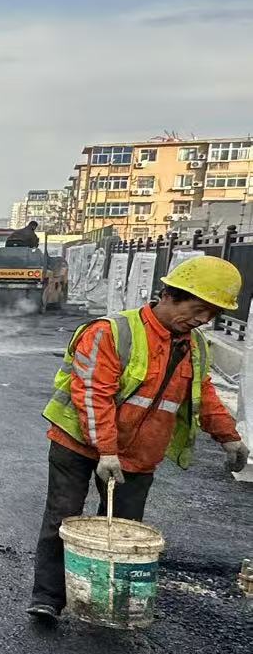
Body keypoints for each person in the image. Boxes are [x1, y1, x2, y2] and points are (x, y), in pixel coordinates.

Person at [25, 255, 246, 622]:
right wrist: (106, 450)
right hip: (77, 443)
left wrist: (229, 437)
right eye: (198, 310)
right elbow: (93, 394)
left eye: (212, 314)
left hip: (139, 454)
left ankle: (103, 599)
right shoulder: (112, 332)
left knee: (123, 528)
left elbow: (202, 393)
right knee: (63, 517)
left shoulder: (194, 345)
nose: (203, 320)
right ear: (169, 296)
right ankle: (48, 597)